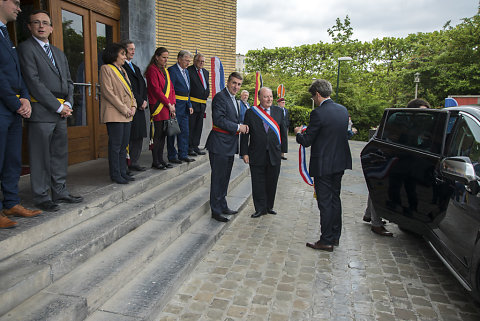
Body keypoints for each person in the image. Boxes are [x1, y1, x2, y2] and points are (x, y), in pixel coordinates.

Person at [18, 10, 83, 212]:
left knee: (59, 154)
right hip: (41, 110)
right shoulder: (25, 49)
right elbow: (33, 82)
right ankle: (41, 195)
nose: (41, 26)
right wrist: (57, 106)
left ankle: (60, 191)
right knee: (40, 156)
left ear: (52, 28)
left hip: (62, 111)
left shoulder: (58, 52)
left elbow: (70, 82)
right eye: (36, 22)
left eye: (45, 23)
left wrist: (69, 104)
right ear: (29, 26)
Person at [294, 79, 352, 252]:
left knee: (325, 202)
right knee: (335, 199)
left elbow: (307, 140)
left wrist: (298, 133)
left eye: (313, 97)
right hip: (340, 162)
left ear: (318, 94)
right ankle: (335, 236)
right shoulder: (343, 110)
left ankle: (325, 240)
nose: (314, 100)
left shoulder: (318, 113)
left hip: (324, 165)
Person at [0, 0, 42, 228]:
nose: (19, 7)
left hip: (14, 108)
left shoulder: (6, 35)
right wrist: (16, 101)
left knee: (13, 159)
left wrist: (24, 96)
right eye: (15, 2)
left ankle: (11, 202)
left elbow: (17, 73)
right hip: (3, 106)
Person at [205, 72, 248, 222]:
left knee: (225, 178)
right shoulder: (220, 97)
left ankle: (222, 205)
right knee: (218, 178)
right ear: (228, 83)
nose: (236, 87)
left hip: (229, 145)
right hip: (219, 144)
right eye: (234, 83)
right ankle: (215, 210)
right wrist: (238, 127)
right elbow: (219, 120)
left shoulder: (234, 99)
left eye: (239, 84)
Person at [240, 87, 287, 218]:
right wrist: (244, 152)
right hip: (256, 152)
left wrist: (283, 150)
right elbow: (245, 134)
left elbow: (283, 131)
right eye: (266, 97)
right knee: (258, 182)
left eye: (271, 96)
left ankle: (269, 206)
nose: (269, 99)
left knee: (272, 181)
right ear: (259, 98)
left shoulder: (278, 111)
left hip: (274, 153)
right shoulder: (251, 112)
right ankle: (260, 208)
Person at [99, 43, 137, 184]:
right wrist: (124, 108)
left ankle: (123, 171)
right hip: (115, 113)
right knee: (115, 146)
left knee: (123, 145)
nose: (125, 56)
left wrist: (133, 106)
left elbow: (130, 91)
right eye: (122, 53)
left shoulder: (123, 70)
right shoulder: (106, 69)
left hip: (127, 113)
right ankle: (115, 174)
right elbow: (109, 92)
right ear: (114, 55)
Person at [145, 47, 176, 170]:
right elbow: (156, 90)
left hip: (167, 107)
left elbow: (172, 89)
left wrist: (172, 104)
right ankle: (155, 161)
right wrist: (168, 103)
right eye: (163, 57)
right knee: (157, 135)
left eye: (167, 58)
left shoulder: (165, 71)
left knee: (164, 135)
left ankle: (161, 159)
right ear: (157, 57)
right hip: (158, 106)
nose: (165, 60)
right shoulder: (152, 70)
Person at [121, 40, 148, 172]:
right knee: (130, 136)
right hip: (131, 106)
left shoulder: (135, 67)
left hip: (140, 107)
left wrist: (145, 100)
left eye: (134, 49)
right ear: (124, 51)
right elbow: (129, 88)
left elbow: (143, 86)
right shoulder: (122, 67)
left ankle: (135, 161)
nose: (133, 51)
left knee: (138, 136)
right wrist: (139, 100)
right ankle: (127, 162)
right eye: (130, 49)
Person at [167, 50, 194, 163]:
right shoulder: (172, 71)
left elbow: (187, 91)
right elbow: (170, 90)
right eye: (186, 60)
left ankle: (183, 154)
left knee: (184, 131)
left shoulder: (186, 72)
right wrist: (171, 106)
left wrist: (189, 104)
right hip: (176, 105)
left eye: (189, 61)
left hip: (185, 106)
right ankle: (172, 156)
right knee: (173, 132)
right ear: (179, 59)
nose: (188, 63)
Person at [187, 53, 209, 156]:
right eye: (200, 61)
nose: (201, 63)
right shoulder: (189, 71)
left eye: (203, 61)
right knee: (191, 126)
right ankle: (189, 147)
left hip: (202, 105)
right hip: (193, 103)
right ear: (195, 61)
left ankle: (196, 146)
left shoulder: (205, 72)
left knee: (199, 127)